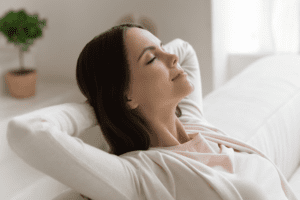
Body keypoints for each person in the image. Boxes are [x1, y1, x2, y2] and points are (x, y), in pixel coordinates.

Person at [6, 24, 297, 200]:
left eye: (161, 47)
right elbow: (26, 131)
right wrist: (97, 107)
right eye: (151, 59)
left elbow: (185, 50)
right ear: (126, 95)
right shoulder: (141, 175)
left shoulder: (194, 123)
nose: (171, 57)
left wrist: (149, 54)